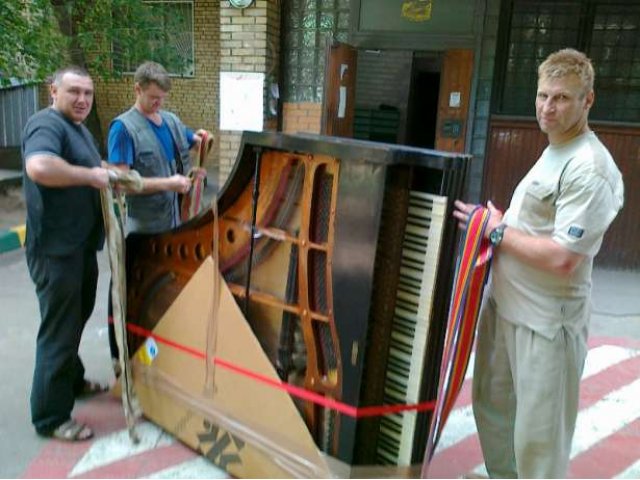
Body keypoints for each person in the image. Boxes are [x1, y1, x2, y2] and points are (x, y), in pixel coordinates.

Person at [453, 48, 624, 478]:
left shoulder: (590, 167)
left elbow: (564, 257)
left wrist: (495, 230)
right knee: (494, 415)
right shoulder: (555, 149)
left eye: (562, 98)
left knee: (538, 443)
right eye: (543, 95)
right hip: (506, 311)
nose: (548, 107)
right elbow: (535, 225)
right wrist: (501, 222)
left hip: (546, 326)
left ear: (588, 100)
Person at [22, 66, 112, 442]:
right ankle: (51, 416)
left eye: (88, 93)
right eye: (74, 91)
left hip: (78, 247)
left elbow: (96, 168)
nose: (82, 100)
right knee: (59, 331)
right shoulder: (47, 124)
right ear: (53, 92)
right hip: (55, 251)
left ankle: (71, 381)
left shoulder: (78, 130)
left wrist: (116, 175)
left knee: (74, 320)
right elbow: (40, 166)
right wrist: (90, 177)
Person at [106, 61, 203, 371]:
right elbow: (121, 183)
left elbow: (192, 140)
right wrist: (168, 183)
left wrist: (201, 139)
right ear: (137, 89)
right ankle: (123, 360)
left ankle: (155, 357)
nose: (158, 104)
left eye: (161, 98)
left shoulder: (171, 120)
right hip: (141, 229)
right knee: (131, 296)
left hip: (171, 224)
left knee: (161, 294)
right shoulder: (123, 128)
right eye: (152, 98)